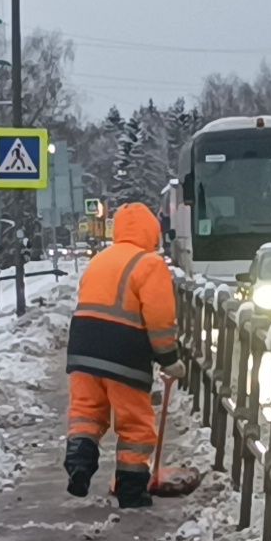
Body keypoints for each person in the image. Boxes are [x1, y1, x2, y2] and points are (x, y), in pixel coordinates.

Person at [65, 202, 185, 509]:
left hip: (82, 344)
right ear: (152, 232)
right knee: (134, 423)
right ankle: (132, 490)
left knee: (86, 412)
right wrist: (169, 357)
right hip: (124, 350)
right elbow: (159, 317)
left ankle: (79, 464)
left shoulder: (100, 260)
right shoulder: (149, 263)